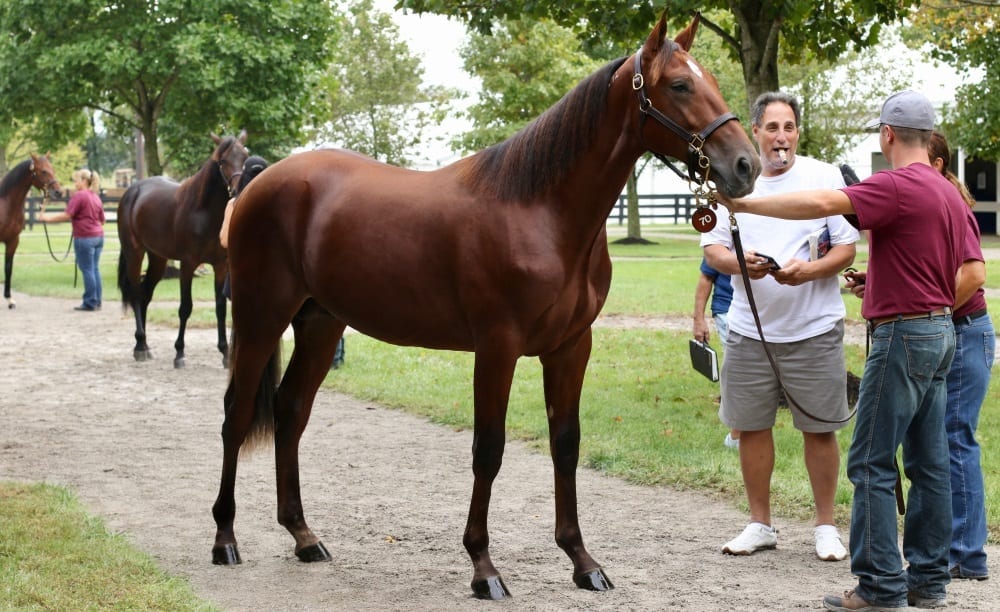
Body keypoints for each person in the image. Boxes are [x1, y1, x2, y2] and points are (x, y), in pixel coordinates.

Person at [717, 90, 966, 611]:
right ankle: (927, 581)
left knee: (871, 463)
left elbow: (822, 203)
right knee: (929, 464)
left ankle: (878, 587)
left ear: (888, 135)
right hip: (943, 329)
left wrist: (742, 202)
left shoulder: (897, 185)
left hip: (902, 335)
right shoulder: (946, 191)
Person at [701, 91, 859, 562]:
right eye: (771, 128)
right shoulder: (731, 179)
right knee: (751, 427)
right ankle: (759, 523)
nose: (781, 137)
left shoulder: (825, 176)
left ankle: (826, 527)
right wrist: (739, 265)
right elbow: (713, 251)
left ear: (797, 132)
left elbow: (846, 249)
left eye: (788, 127)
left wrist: (808, 272)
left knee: (820, 429)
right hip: (750, 330)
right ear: (755, 132)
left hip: (814, 327)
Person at [845, 131, 993, 584]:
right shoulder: (926, 200)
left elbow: (972, 273)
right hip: (944, 329)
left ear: (937, 161)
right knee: (931, 451)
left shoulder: (947, 200)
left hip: (962, 330)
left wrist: (926, 312)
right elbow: (923, 269)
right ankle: (935, 567)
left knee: (951, 442)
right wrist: (881, 286)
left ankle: (964, 554)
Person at [38, 169, 104, 311]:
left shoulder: (79, 196)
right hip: (98, 237)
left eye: (76, 180)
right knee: (94, 268)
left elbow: (67, 215)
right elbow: (102, 220)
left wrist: (46, 218)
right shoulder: (95, 197)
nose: (75, 183)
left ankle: (90, 302)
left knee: (87, 269)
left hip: (85, 238)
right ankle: (97, 300)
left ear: (84, 181)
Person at [692, 257, 739, 449]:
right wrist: (698, 319)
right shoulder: (723, 238)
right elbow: (706, 278)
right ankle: (736, 435)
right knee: (739, 370)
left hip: (765, 311)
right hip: (727, 309)